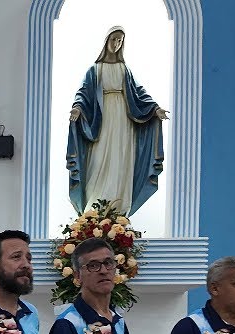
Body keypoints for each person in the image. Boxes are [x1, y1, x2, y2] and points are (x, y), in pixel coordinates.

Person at [67, 25, 168, 216]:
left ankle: (118, 211)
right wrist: (77, 108)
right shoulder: (95, 70)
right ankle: (94, 209)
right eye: (113, 39)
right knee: (99, 159)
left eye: (120, 40)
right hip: (102, 121)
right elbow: (83, 93)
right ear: (106, 41)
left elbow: (139, 93)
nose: (116, 43)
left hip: (124, 121)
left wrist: (155, 109)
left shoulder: (124, 70)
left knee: (121, 160)